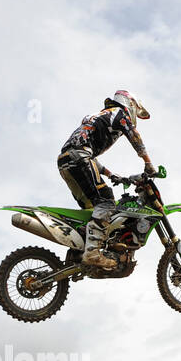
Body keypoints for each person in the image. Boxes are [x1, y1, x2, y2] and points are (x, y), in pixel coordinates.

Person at [57, 89, 155, 270]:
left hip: (65, 161)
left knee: (92, 209)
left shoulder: (100, 116)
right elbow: (134, 136)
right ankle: (92, 253)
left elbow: (83, 149)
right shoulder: (119, 114)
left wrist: (111, 175)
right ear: (130, 104)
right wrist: (148, 163)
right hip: (80, 158)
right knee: (107, 201)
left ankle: (79, 250)